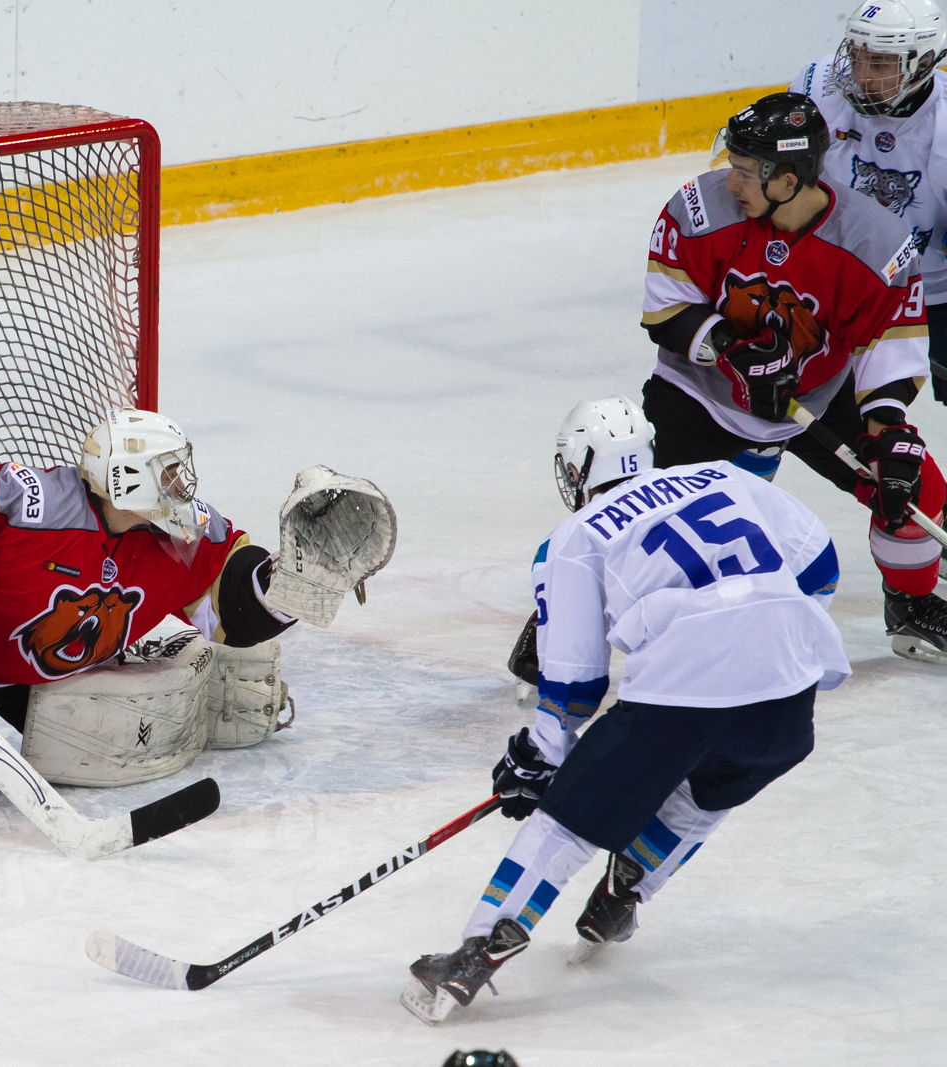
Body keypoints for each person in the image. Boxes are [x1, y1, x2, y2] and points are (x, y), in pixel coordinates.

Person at [402, 397, 851, 1024]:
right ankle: (624, 894)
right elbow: (822, 566)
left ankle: (476, 953)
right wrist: (769, 637)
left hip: (684, 688)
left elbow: (575, 686)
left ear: (583, 464)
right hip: (787, 690)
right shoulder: (730, 476)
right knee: (701, 799)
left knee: (566, 824)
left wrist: (537, 761)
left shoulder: (576, 536)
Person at [0, 407, 395, 734]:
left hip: (46, 692)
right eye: (168, 472)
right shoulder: (32, 504)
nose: (183, 485)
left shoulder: (184, 539)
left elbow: (233, 611)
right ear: (127, 480)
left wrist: (292, 588)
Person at [639, 90, 947, 660]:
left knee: (912, 482)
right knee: (651, 523)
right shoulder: (700, 208)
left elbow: (893, 342)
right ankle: (561, 615)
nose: (731, 182)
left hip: (814, 393)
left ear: (791, 177)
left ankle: (911, 605)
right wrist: (731, 351)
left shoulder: (875, 243)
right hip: (700, 396)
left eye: (746, 172)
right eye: (732, 164)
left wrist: (888, 427)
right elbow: (666, 303)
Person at [795, 0, 947, 405]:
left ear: (925, 60)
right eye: (857, 57)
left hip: (932, 297)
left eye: (879, 64)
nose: (860, 76)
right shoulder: (819, 85)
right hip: (839, 289)